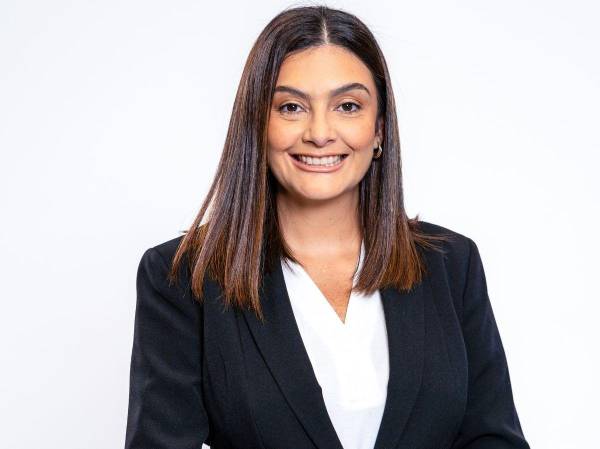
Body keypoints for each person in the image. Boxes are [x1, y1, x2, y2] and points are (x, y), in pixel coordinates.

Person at [124, 5, 530, 449]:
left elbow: (493, 439)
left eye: (348, 106)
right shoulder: (184, 277)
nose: (320, 132)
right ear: (258, 124)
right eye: (292, 106)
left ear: (378, 129)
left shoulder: (451, 265)